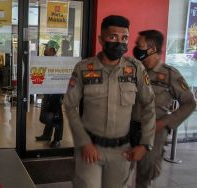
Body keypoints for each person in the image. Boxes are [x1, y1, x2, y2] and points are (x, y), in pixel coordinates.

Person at [64, 15, 156, 188]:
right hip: (90, 149)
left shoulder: (135, 68)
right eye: (113, 37)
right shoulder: (84, 68)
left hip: (122, 151)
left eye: (125, 38)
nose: (119, 43)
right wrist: (83, 142)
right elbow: (69, 105)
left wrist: (146, 143)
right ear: (101, 39)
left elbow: (148, 104)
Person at [132, 30, 196, 188]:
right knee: (119, 174)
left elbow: (190, 103)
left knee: (145, 177)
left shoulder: (169, 75)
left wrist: (166, 123)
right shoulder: (133, 70)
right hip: (129, 130)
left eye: (139, 45)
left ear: (152, 49)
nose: (135, 48)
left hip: (154, 132)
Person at [35, 40, 64, 148]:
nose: (44, 49)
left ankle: (57, 139)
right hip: (49, 90)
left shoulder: (58, 62)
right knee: (48, 113)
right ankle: (46, 135)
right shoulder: (48, 61)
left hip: (56, 92)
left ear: (52, 50)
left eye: (46, 47)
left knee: (56, 116)